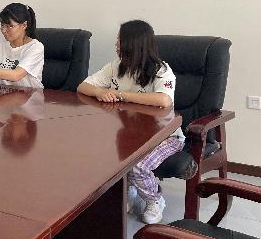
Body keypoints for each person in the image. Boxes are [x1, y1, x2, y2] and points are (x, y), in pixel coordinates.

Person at [77, 20, 186, 224]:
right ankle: (130, 190)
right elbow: (83, 86)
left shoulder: (161, 70)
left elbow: (164, 100)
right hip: (130, 135)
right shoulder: (116, 67)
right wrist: (99, 92)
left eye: (120, 40)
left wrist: (121, 95)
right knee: (98, 153)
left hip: (166, 137)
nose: (116, 45)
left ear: (134, 44)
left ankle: (155, 200)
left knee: (137, 167)